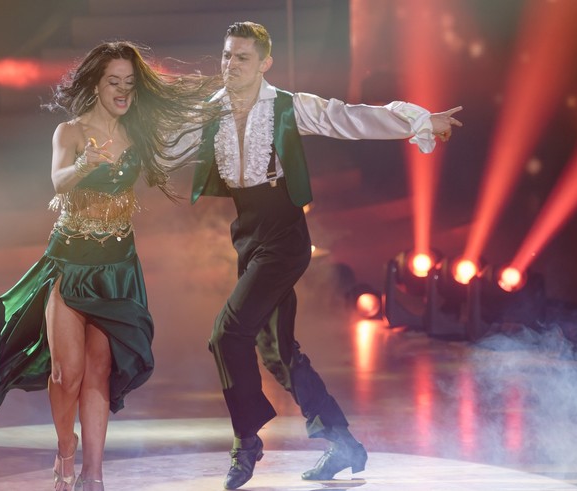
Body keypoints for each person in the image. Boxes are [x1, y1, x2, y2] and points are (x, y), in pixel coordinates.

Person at [180, 21, 463, 489]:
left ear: (265, 63)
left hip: (285, 237)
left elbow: (350, 117)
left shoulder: (288, 107)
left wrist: (419, 120)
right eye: (227, 56)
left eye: (242, 57)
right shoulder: (209, 112)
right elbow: (167, 144)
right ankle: (342, 442)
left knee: (227, 334)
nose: (230, 65)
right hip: (248, 236)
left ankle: (246, 441)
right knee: (276, 351)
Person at [0, 41, 218, 491]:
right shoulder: (68, 132)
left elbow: (184, 139)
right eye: (114, 82)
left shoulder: (140, 133)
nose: (123, 91)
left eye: (130, 83)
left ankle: (94, 475)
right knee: (64, 373)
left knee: (99, 372)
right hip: (69, 264)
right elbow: (57, 179)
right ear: (96, 84)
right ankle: (65, 451)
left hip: (116, 267)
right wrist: (85, 164)